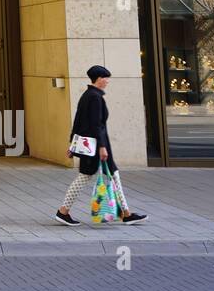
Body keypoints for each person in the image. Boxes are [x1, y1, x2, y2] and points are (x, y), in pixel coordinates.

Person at [54, 65, 148, 226]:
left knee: (110, 175)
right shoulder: (95, 97)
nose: (107, 81)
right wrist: (102, 147)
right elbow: (97, 124)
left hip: (90, 145)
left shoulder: (87, 95)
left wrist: (72, 144)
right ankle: (63, 211)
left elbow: (78, 121)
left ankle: (126, 213)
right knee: (87, 177)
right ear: (98, 79)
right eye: (106, 78)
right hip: (96, 146)